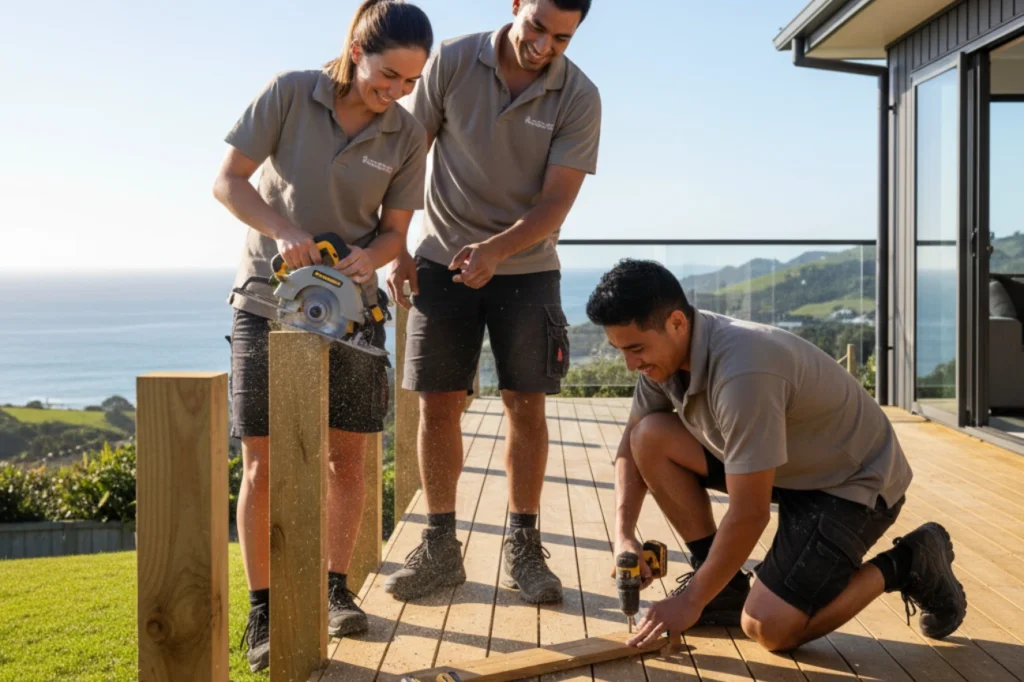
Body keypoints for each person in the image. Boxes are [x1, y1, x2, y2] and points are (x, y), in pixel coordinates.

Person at [583, 259, 967, 652]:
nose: (631, 365)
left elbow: (750, 513)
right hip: (788, 465)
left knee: (770, 628)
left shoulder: (743, 372)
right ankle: (725, 590)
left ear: (678, 323)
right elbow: (631, 446)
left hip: (852, 483)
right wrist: (624, 536)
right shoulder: (664, 361)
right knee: (649, 437)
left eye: (635, 349)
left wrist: (689, 602)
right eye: (620, 351)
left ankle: (909, 561)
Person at [212, 0, 432, 671]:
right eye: (386, 74)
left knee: (348, 459)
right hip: (268, 302)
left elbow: (397, 231)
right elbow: (228, 183)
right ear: (358, 45)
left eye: (408, 83)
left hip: (354, 311)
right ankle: (265, 609)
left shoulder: (406, 134)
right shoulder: (287, 92)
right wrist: (284, 231)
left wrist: (378, 256)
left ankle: (336, 589)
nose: (393, 92)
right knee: (265, 462)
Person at [384, 0, 601, 605]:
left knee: (526, 407)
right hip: (439, 260)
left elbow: (556, 204)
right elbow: (408, 154)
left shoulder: (580, 96)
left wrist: (498, 251)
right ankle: (440, 548)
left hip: (527, 265)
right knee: (438, 405)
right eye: (536, 27)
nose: (544, 46)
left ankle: (525, 548)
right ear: (515, 6)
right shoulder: (451, 58)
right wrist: (397, 246)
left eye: (562, 37)